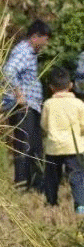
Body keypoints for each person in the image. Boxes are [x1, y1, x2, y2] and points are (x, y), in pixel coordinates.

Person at [3, 19, 52, 191]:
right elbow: (8, 71)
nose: (45, 44)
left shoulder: (29, 53)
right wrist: (19, 94)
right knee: (24, 145)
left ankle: (37, 184)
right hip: (24, 107)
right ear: (35, 36)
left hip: (31, 106)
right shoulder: (23, 51)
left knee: (35, 145)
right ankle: (22, 184)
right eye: (45, 39)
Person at [40, 66, 84, 212]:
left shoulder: (48, 104)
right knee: (77, 177)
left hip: (53, 147)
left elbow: (44, 125)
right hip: (74, 147)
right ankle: (80, 206)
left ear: (51, 87)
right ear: (71, 85)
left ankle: (51, 203)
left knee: (52, 177)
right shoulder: (78, 104)